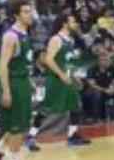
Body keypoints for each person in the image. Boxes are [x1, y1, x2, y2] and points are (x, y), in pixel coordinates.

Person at [0, 0, 35, 160]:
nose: (29, 14)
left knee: (21, 124)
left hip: (22, 81)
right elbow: (2, 65)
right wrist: (6, 91)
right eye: (25, 11)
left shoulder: (25, 33)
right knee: (17, 128)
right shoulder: (11, 36)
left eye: (30, 10)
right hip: (13, 83)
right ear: (16, 15)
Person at [27, 13, 91, 151]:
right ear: (64, 23)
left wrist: (74, 78)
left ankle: (72, 137)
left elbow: (68, 63)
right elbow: (49, 60)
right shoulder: (56, 39)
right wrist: (61, 75)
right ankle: (30, 137)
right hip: (55, 79)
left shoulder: (70, 40)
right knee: (47, 108)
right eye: (73, 21)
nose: (75, 24)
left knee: (76, 106)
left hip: (67, 79)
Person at [84, 50, 114, 121]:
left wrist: (113, 88)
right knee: (97, 95)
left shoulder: (112, 68)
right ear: (99, 61)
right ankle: (97, 117)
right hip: (94, 90)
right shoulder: (92, 69)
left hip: (108, 89)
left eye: (108, 60)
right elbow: (92, 84)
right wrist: (105, 90)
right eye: (104, 60)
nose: (107, 62)